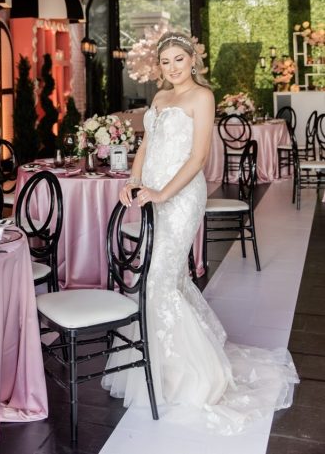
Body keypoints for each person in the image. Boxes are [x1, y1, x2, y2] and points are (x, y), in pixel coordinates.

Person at [102, 31, 298, 434]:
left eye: (179, 59)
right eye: (166, 61)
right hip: (151, 193)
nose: (173, 67)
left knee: (158, 279)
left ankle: (190, 375)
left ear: (193, 60)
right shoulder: (159, 99)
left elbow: (199, 156)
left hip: (180, 196)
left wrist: (163, 192)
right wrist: (134, 181)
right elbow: (145, 147)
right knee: (160, 278)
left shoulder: (202, 97)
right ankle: (158, 368)